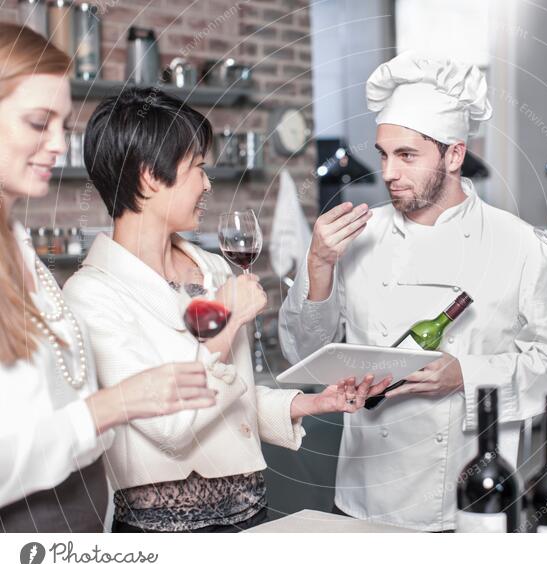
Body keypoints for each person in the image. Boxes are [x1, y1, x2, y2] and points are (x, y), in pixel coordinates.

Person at [62, 87, 392, 533]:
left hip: (251, 514)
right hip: (163, 535)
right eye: (197, 167)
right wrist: (229, 319)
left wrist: (314, 403)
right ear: (147, 176)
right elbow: (170, 426)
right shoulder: (91, 294)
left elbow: (236, 397)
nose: (207, 183)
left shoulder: (214, 268)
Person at [279, 51, 547, 531]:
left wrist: (466, 374)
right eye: (383, 154)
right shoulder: (354, 235)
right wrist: (317, 265)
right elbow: (305, 355)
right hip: (362, 498)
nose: (388, 173)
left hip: (468, 504)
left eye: (407, 155)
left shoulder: (520, 245)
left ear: (454, 154)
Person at [0, 24, 217, 533]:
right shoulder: (94, 286)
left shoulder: (17, 242)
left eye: (62, 124)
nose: (58, 143)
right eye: (38, 122)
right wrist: (113, 405)